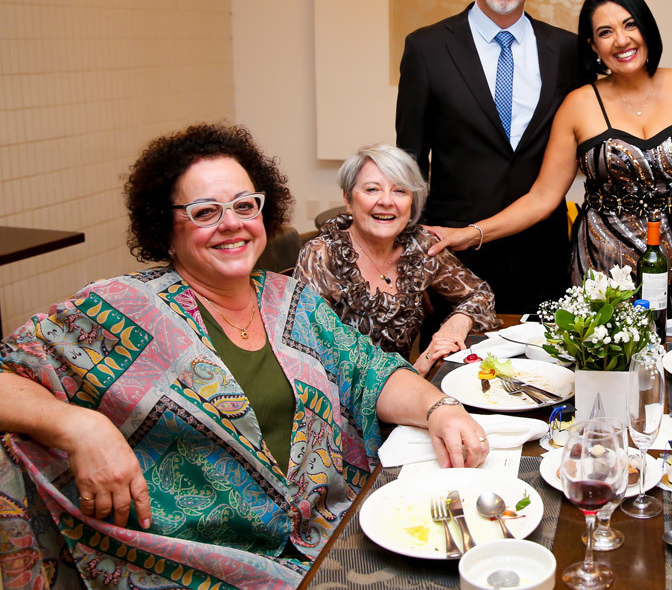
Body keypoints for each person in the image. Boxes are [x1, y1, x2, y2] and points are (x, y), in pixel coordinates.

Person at [0, 124, 486, 590]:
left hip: (329, 532)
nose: (231, 223)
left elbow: (367, 369)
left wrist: (439, 408)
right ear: (165, 227)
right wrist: (80, 426)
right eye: (205, 211)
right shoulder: (119, 308)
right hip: (202, 567)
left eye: (244, 205)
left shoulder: (290, 300)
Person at [429, 0, 672, 318]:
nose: (621, 40)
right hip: (604, 261)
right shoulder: (578, 105)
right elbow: (542, 198)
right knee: (605, 351)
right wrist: (471, 233)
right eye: (606, 32)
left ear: (647, 28)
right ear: (593, 46)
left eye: (630, 24)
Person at [395, 0, 580, 315]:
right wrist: (413, 255)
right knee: (451, 353)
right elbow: (410, 162)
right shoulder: (427, 48)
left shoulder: (568, 51)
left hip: (543, 254)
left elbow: (605, 117)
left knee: (545, 355)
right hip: (453, 253)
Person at [295, 144, 498, 375]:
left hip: (407, 385)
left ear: (412, 202)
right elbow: (310, 351)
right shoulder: (321, 255)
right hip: (339, 392)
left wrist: (455, 325)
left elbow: (480, 294)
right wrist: (418, 368)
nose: (386, 201)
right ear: (348, 199)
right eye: (372, 189)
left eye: (400, 190)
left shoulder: (420, 246)